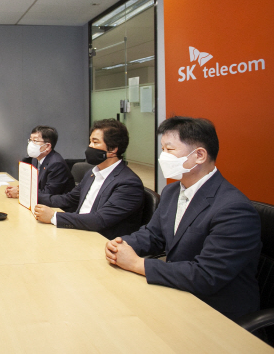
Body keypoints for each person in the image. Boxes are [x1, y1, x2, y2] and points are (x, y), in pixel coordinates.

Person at [105, 116, 261, 321]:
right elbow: (153, 235)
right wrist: (121, 245)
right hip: (177, 293)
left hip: (216, 311)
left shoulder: (234, 209)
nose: (162, 156)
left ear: (199, 155)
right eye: (162, 149)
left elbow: (206, 275)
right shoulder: (171, 191)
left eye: (169, 150)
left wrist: (136, 263)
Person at [33, 119, 144, 239]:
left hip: (101, 240)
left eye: (95, 142)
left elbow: (100, 220)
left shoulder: (128, 183)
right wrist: (32, 195)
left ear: (112, 149)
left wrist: (54, 216)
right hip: (79, 230)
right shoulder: (92, 173)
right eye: (90, 141)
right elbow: (69, 199)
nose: (90, 146)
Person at [5, 125, 74, 199]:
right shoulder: (35, 158)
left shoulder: (56, 164)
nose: (31, 144)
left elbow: (48, 193)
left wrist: (21, 192)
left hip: (58, 207)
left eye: (35, 141)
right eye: (30, 140)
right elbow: (36, 186)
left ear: (47, 146)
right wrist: (20, 189)